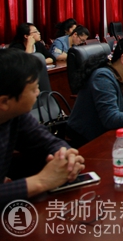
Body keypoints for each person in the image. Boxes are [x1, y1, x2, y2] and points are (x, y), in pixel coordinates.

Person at [0, 49, 85, 208]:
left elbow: (47, 142)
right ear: (4, 102)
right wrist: (41, 181)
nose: (38, 93)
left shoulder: (16, 116)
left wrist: (66, 157)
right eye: (33, 89)